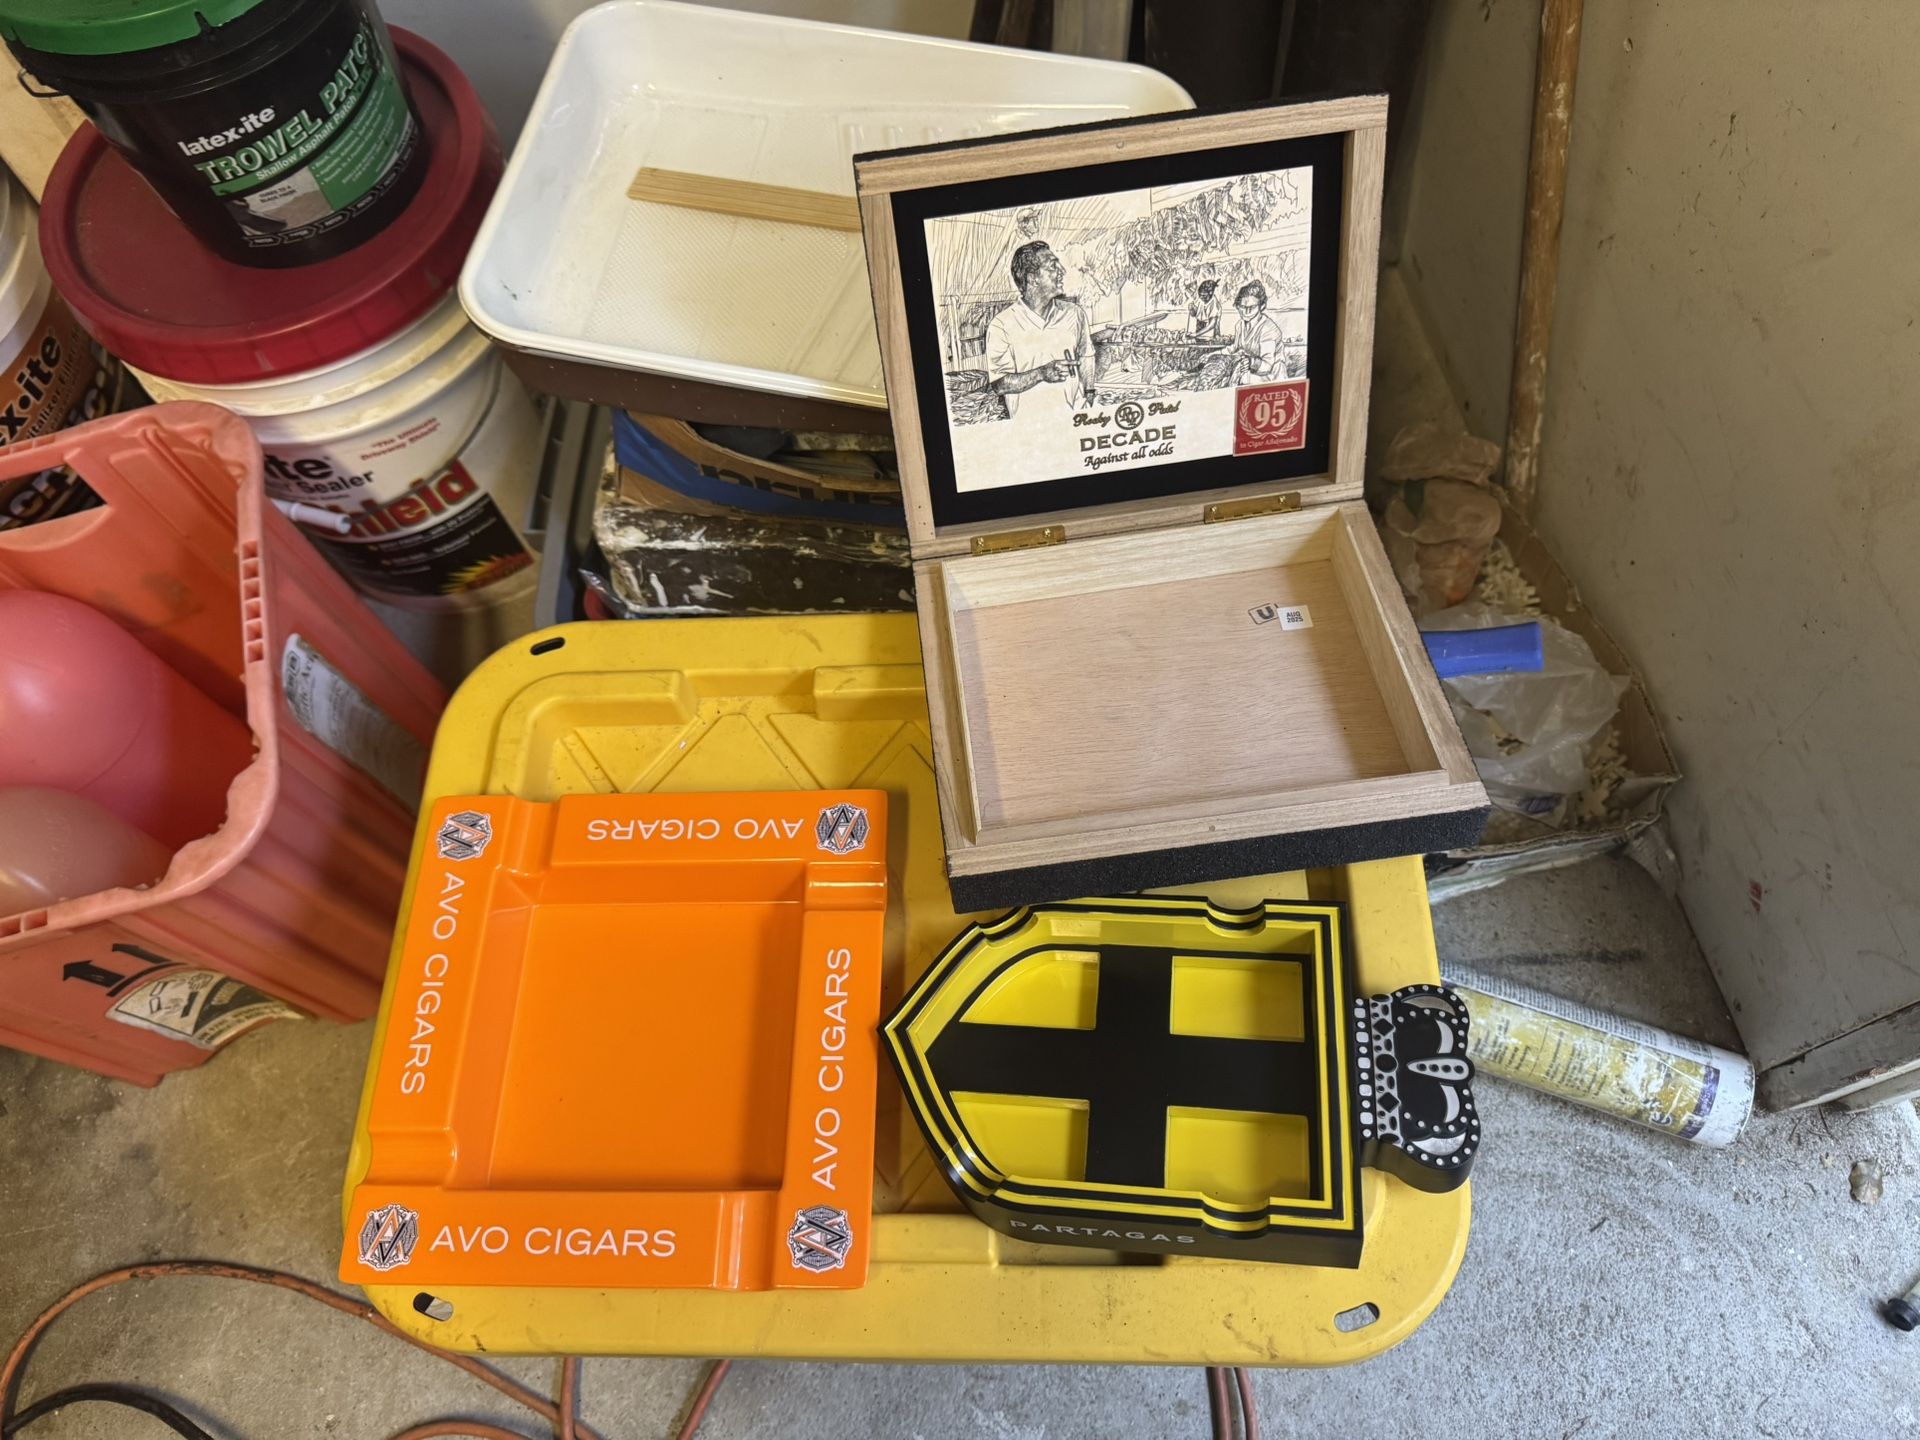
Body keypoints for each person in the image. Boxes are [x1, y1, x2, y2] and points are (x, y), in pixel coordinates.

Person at [984, 241, 1095, 417]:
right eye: (1053, 266)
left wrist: (1089, 393)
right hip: (1030, 427)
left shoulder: (1075, 314)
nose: (1062, 271)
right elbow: (999, 384)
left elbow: (1086, 355)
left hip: (1076, 417)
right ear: (1032, 278)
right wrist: (1041, 374)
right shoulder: (1002, 325)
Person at [1229, 280, 1286, 382]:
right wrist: (1214, 354)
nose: (1246, 311)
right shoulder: (1240, 325)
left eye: (1252, 307)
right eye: (1242, 307)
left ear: (1262, 306)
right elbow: (1235, 347)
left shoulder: (1268, 329)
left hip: (1272, 379)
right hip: (1250, 376)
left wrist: (1251, 362)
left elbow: (1267, 365)